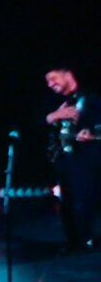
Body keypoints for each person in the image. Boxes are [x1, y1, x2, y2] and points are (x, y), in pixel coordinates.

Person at [45, 68, 96, 249]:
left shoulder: (91, 98)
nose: (50, 84)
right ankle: (75, 241)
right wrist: (54, 117)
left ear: (67, 73)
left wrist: (92, 133)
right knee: (67, 204)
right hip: (66, 161)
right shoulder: (64, 102)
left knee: (84, 202)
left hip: (87, 162)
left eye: (53, 78)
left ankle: (87, 240)